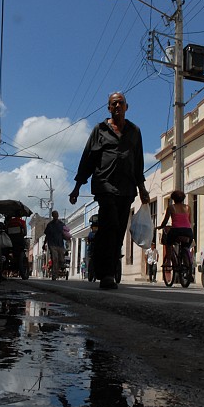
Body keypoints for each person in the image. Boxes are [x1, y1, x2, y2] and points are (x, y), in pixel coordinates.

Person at [69, 92, 150, 290]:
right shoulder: (99, 130)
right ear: (108, 108)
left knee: (119, 229)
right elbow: (87, 158)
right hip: (104, 185)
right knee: (111, 223)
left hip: (127, 188)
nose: (117, 106)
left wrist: (142, 188)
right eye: (113, 104)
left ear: (126, 107)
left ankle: (108, 265)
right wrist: (77, 187)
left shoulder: (134, 131)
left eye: (120, 103)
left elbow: (138, 162)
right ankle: (107, 273)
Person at [44, 210, 66, 281]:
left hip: (60, 244)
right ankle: (54, 275)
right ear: (53, 216)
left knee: (61, 260)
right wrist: (44, 244)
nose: (56, 216)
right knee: (55, 259)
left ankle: (61, 268)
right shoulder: (49, 225)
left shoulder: (62, 224)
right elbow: (47, 236)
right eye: (54, 215)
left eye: (57, 215)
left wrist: (67, 238)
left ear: (58, 215)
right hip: (52, 244)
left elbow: (65, 233)